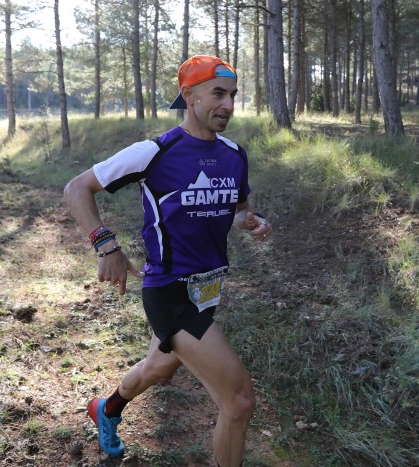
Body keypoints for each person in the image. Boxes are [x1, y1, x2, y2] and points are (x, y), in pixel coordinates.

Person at [63, 55, 272, 467]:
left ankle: (105, 408)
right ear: (189, 95)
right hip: (171, 292)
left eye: (232, 95)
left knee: (158, 369)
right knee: (239, 401)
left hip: (209, 289)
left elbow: (236, 210)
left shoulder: (234, 155)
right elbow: (77, 188)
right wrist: (106, 246)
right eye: (218, 94)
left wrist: (252, 221)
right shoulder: (155, 152)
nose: (228, 105)